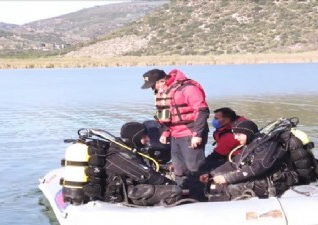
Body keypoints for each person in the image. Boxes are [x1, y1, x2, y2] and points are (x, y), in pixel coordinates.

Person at [141, 68, 209, 201]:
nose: (153, 89)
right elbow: (167, 115)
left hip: (190, 133)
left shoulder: (188, 89)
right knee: (179, 170)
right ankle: (182, 198)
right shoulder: (165, 92)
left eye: (153, 85)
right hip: (175, 135)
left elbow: (202, 111)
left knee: (195, 170)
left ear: (162, 81)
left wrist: (197, 134)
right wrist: (165, 132)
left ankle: (200, 200)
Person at [205, 120, 297, 201]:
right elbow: (234, 164)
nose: (236, 138)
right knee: (216, 184)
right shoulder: (250, 145)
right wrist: (211, 175)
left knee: (230, 188)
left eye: (238, 135)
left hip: (276, 182)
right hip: (261, 178)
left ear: (248, 133)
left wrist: (227, 178)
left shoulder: (267, 146)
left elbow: (257, 168)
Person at [102, 122, 182, 206]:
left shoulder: (127, 148)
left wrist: (165, 167)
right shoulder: (121, 154)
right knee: (174, 191)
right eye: (144, 137)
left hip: (128, 187)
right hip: (120, 193)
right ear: (134, 138)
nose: (148, 139)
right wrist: (170, 184)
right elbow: (147, 175)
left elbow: (143, 166)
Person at [198, 107, 245, 173]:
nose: (214, 120)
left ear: (227, 120)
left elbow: (217, 155)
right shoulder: (236, 126)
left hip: (235, 161)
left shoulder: (230, 136)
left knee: (204, 167)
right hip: (233, 157)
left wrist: (201, 166)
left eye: (216, 118)